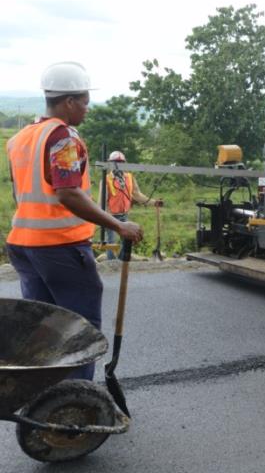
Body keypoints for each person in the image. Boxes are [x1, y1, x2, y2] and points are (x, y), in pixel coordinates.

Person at [5, 62, 143, 380]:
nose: (87, 109)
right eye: (84, 102)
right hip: (60, 247)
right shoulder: (63, 137)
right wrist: (118, 225)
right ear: (69, 102)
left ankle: (43, 393)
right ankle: (75, 407)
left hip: (23, 246)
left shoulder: (22, 138)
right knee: (80, 329)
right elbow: (68, 194)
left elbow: (20, 194)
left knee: (44, 326)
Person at [103, 150, 163, 260]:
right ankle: (110, 264)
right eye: (115, 162)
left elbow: (138, 195)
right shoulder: (106, 179)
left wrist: (154, 202)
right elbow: (101, 202)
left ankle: (122, 263)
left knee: (126, 240)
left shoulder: (129, 178)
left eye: (120, 162)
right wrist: (102, 217)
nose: (118, 165)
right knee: (111, 241)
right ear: (110, 164)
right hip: (110, 216)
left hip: (124, 215)